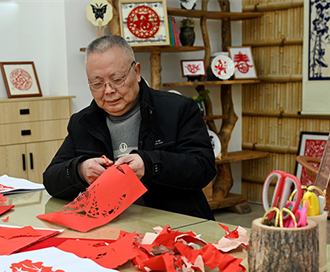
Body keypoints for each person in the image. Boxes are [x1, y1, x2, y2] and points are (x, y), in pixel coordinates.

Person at [42, 35, 217, 219]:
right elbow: (51, 180)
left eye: (117, 79)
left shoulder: (177, 109)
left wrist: (149, 165)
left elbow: (203, 168)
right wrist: (80, 170)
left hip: (175, 223)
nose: (108, 90)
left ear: (137, 71)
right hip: (111, 226)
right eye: (97, 83)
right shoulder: (83, 122)